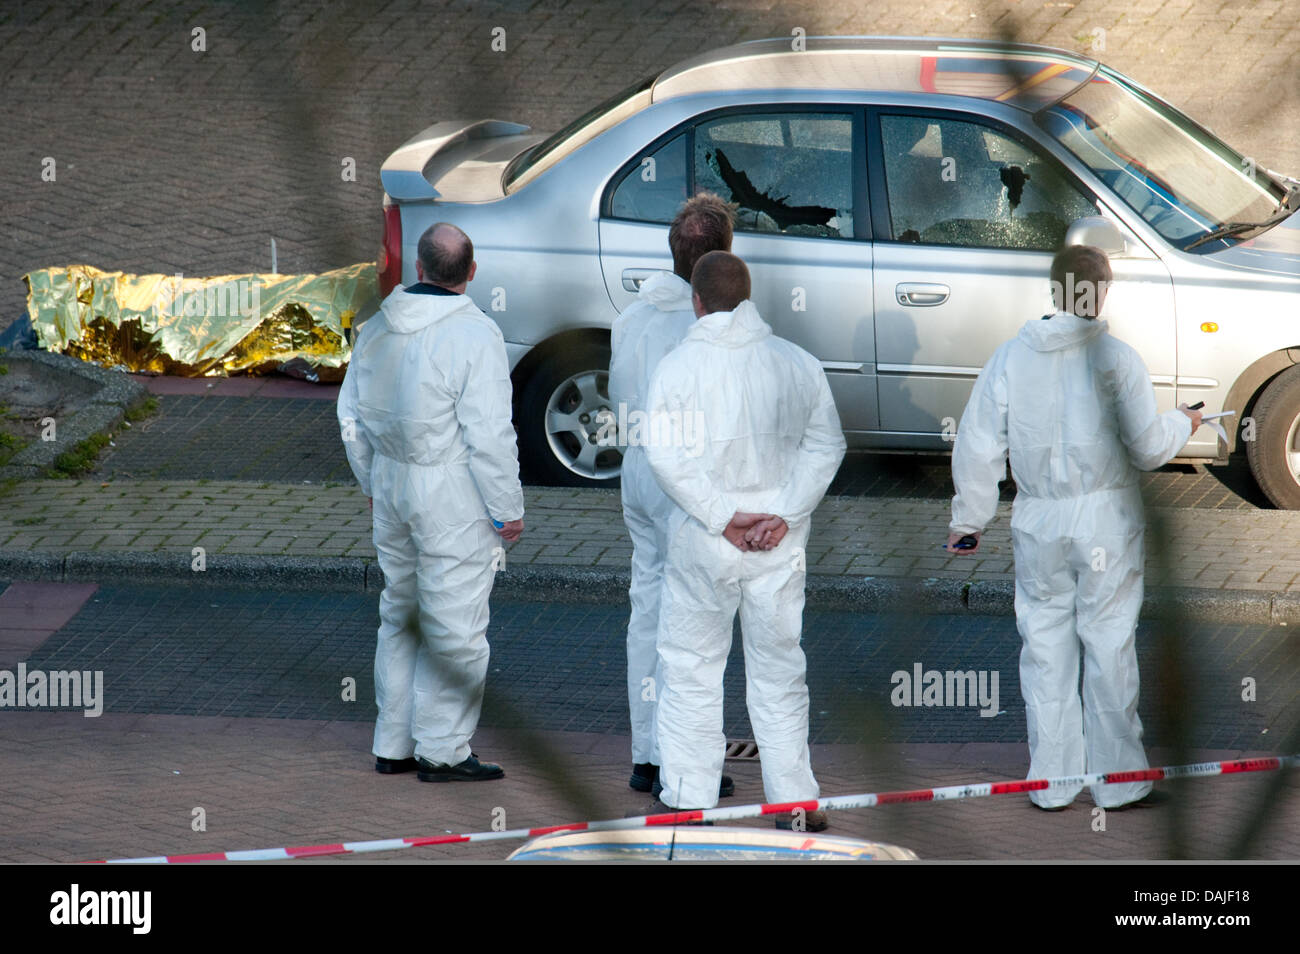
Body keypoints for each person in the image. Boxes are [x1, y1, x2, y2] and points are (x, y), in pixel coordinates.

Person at [945, 244, 1202, 810]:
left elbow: (978, 443)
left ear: (1054, 290)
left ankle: (1053, 782)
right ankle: (1119, 782)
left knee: (1044, 645)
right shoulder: (1118, 360)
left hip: (1039, 517)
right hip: (1105, 519)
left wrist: (969, 523)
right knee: (1109, 641)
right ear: (1102, 291)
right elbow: (1146, 448)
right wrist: (1184, 421)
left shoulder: (1011, 358)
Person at [645, 251, 846, 830]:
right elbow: (826, 445)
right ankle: (794, 801)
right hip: (776, 546)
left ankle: (688, 796)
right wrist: (782, 512)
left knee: (691, 666)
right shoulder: (797, 363)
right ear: (749, 296)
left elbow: (665, 455)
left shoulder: (678, 368)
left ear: (697, 300)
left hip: (704, 543)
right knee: (781, 670)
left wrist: (721, 514)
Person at [337, 222, 524, 783]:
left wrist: (371, 482)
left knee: (401, 613)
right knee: (456, 625)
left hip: (393, 483)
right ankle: (442, 750)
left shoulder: (376, 328)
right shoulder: (476, 334)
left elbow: (351, 417)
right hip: (452, 494)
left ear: (417, 268)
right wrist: (506, 507)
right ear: (471, 272)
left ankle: (392, 742)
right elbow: (489, 433)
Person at [607, 192, 736, 796]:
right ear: (724, 256)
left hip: (638, 469)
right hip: (687, 476)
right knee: (698, 623)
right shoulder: (710, 323)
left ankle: (647, 754)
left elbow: (619, 395)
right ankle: (686, 761)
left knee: (648, 608)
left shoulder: (631, 316)